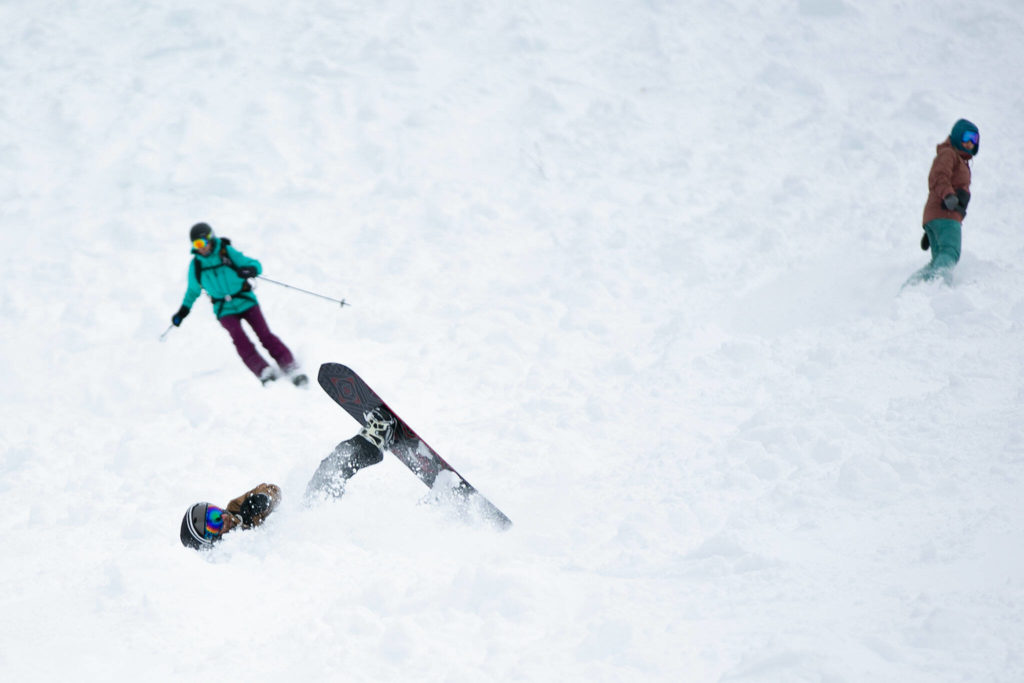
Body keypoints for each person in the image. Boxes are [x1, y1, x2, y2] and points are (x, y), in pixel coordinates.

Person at [180, 407, 396, 551]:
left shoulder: (237, 508)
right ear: (209, 542)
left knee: (327, 473)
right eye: (213, 523)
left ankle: (372, 438)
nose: (222, 517)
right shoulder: (233, 554)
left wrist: (263, 499)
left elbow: (272, 490)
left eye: (214, 512)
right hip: (302, 548)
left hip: (303, 518)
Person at [170, 222, 307, 386]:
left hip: (245, 300)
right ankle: (264, 371)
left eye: (203, 242)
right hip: (224, 309)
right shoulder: (196, 266)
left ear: (211, 238)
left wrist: (250, 270)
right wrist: (182, 312)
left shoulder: (226, 252)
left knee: (265, 335)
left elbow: (255, 265)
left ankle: (291, 367)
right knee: (240, 340)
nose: (202, 248)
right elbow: (192, 292)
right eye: (197, 244)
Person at [909, 118, 979, 285]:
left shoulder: (958, 159)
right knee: (950, 252)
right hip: (945, 213)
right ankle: (937, 284)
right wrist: (948, 195)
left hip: (941, 216)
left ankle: (914, 287)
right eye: (966, 137)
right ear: (956, 136)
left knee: (938, 259)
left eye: (974, 139)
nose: (970, 143)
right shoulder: (949, 154)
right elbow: (938, 176)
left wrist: (932, 230)